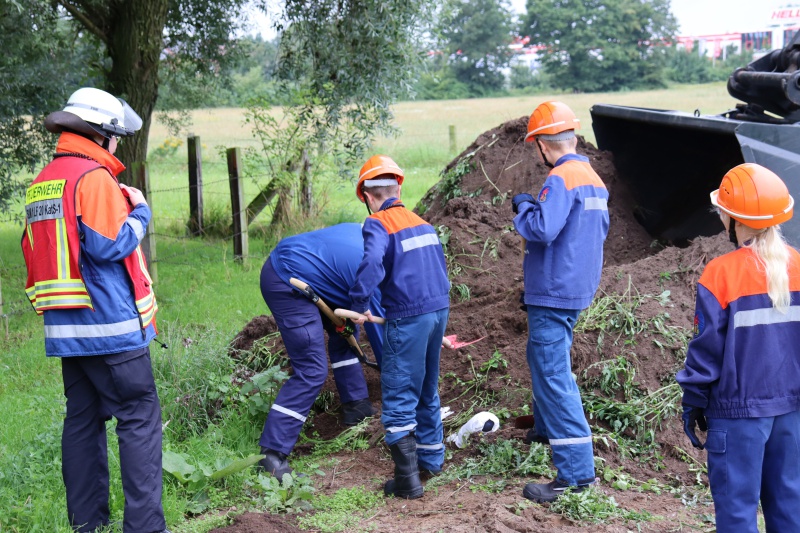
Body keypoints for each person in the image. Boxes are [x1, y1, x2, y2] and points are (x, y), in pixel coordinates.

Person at [21, 88, 167, 533]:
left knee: (82, 423)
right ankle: (145, 528)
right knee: (139, 417)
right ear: (101, 134)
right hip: (112, 328)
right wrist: (140, 211)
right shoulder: (94, 178)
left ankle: (89, 525)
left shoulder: (44, 180)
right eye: (117, 135)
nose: (118, 144)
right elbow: (111, 244)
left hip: (67, 331)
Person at [677, 163, 800, 533]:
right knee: (790, 508)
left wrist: (693, 401)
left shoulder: (720, 273)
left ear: (731, 218)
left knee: (736, 512)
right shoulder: (798, 265)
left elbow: (706, 350)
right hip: (792, 413)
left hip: (737, 415)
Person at [512, 101, 609, 503]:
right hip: (574, 290)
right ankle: (546, 429)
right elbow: (594, 234)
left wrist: (524, 206)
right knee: (543, 362)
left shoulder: (560, 178)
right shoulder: (594, 178)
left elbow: (542, 228)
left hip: (552, 293)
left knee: (553, 376)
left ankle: (575, 474)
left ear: (541, 146)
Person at [348, 155, 450, 499]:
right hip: (439, 310)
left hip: (408, 318)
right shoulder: (421, 222)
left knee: (398, 393)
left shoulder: (378, 223)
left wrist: (359, 304)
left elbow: (372, 261)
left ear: (367, 196)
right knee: (427, 387)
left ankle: (407, 480)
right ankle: (432, 461)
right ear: (397, 187)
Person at [258, 223, 384, 480]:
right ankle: (272, 455)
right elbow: (387, 348)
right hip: (286, 278)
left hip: (321, 272)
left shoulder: (375, 237)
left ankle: (356, 405)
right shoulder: (376, 275)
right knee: (312, 369)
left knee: (345, 331)